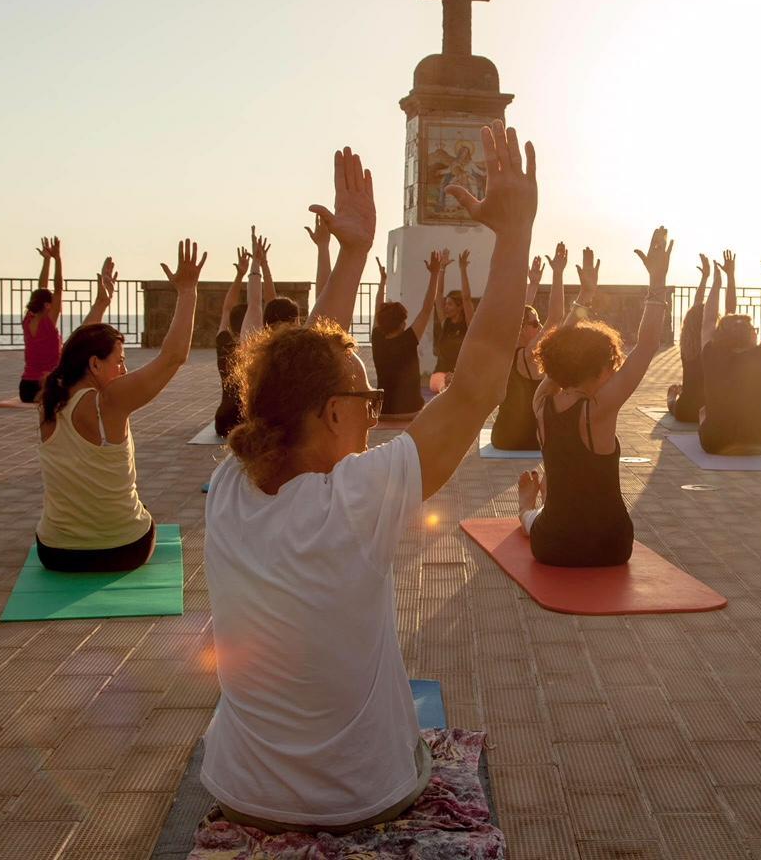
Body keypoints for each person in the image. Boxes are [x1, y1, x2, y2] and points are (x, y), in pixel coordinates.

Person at [202, 125, 536, 831]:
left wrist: (353, 252)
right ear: (329, 414)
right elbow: (476, 384)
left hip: (239, 788)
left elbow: (291, 375)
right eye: (367, 400)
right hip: (360, 800)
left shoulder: (231, 488)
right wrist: (515, 236)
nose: (375, 412)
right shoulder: (354, 501)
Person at [34, 239, 205, 572]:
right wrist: (188, 292)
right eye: (120, 361)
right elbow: (173, 357)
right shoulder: (108, 402)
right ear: (95, 365)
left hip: (55, 552)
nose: (124, 370)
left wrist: (101, 303)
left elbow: (74, 351)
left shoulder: (48, 399)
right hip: (123, 548)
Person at [517, 231, 671, 567]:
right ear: (599, 370)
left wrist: (584, 299)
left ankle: (528, 510)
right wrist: (657, 282)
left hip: (553, 546)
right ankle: (529, 508)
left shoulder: (541, 403)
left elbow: (557, 351)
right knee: (541, 513)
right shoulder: (599, 411)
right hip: (612, 546)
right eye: (612, 366)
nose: (615, 372)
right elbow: (646, 346)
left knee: (536, 520)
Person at [698, 246, 761, 455]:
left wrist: (717, 282)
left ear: (719, 336)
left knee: (703, 412)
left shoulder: (712, 355)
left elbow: (708, 320)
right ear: (752, 335)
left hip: (716, 442)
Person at [490, 245, 565, 450]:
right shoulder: (529, 355)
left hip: (502, 438)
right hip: (530, 441)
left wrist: (533, 284)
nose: (540, 326)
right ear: (522, 329)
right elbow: (556, 317)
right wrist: (558, 274)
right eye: (535, 323)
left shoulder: (506, 349)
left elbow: (517, 316)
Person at [370, 251, 445, 418]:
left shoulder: (377, 338)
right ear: (403, 323)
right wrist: (434, 274)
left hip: (383, 411)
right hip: (410, 411)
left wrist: (382, 282)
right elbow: (427, 309)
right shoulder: (408, 339)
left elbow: (377, 310)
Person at [213, 247, 255, 438]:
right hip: (244, 419)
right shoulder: (255, 345)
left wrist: (239, 275)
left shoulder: (224, 341)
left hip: (223, 419)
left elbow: (226, 309)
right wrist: (259, 267)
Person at [667, 253, 712, 423]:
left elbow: (695, 309)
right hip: (708, 409)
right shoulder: (713, 348)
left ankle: (672, 397)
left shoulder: (687, 347)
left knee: (674, 404)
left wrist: (704, 278)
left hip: (685, 411)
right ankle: (673, 397)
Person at [19, 237, 63, 403]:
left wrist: (46, 260)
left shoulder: (28, 320)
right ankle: (44, 396)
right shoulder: (48, 321)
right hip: (47, 384)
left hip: (26, 387)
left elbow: (41, 288)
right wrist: (57, 259)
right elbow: (58, 288)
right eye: (52, 302)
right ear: (47, 305)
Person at [431, 248, 474, 385]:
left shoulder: (468, 324)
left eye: (450, 304)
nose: (445, 307)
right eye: (446, 304)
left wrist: (463, 270)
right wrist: (442, 269)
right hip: (440, 376)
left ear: (459, 307)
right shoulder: (446, 322)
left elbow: (466, 298)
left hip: (460, 377)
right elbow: (438, 295)